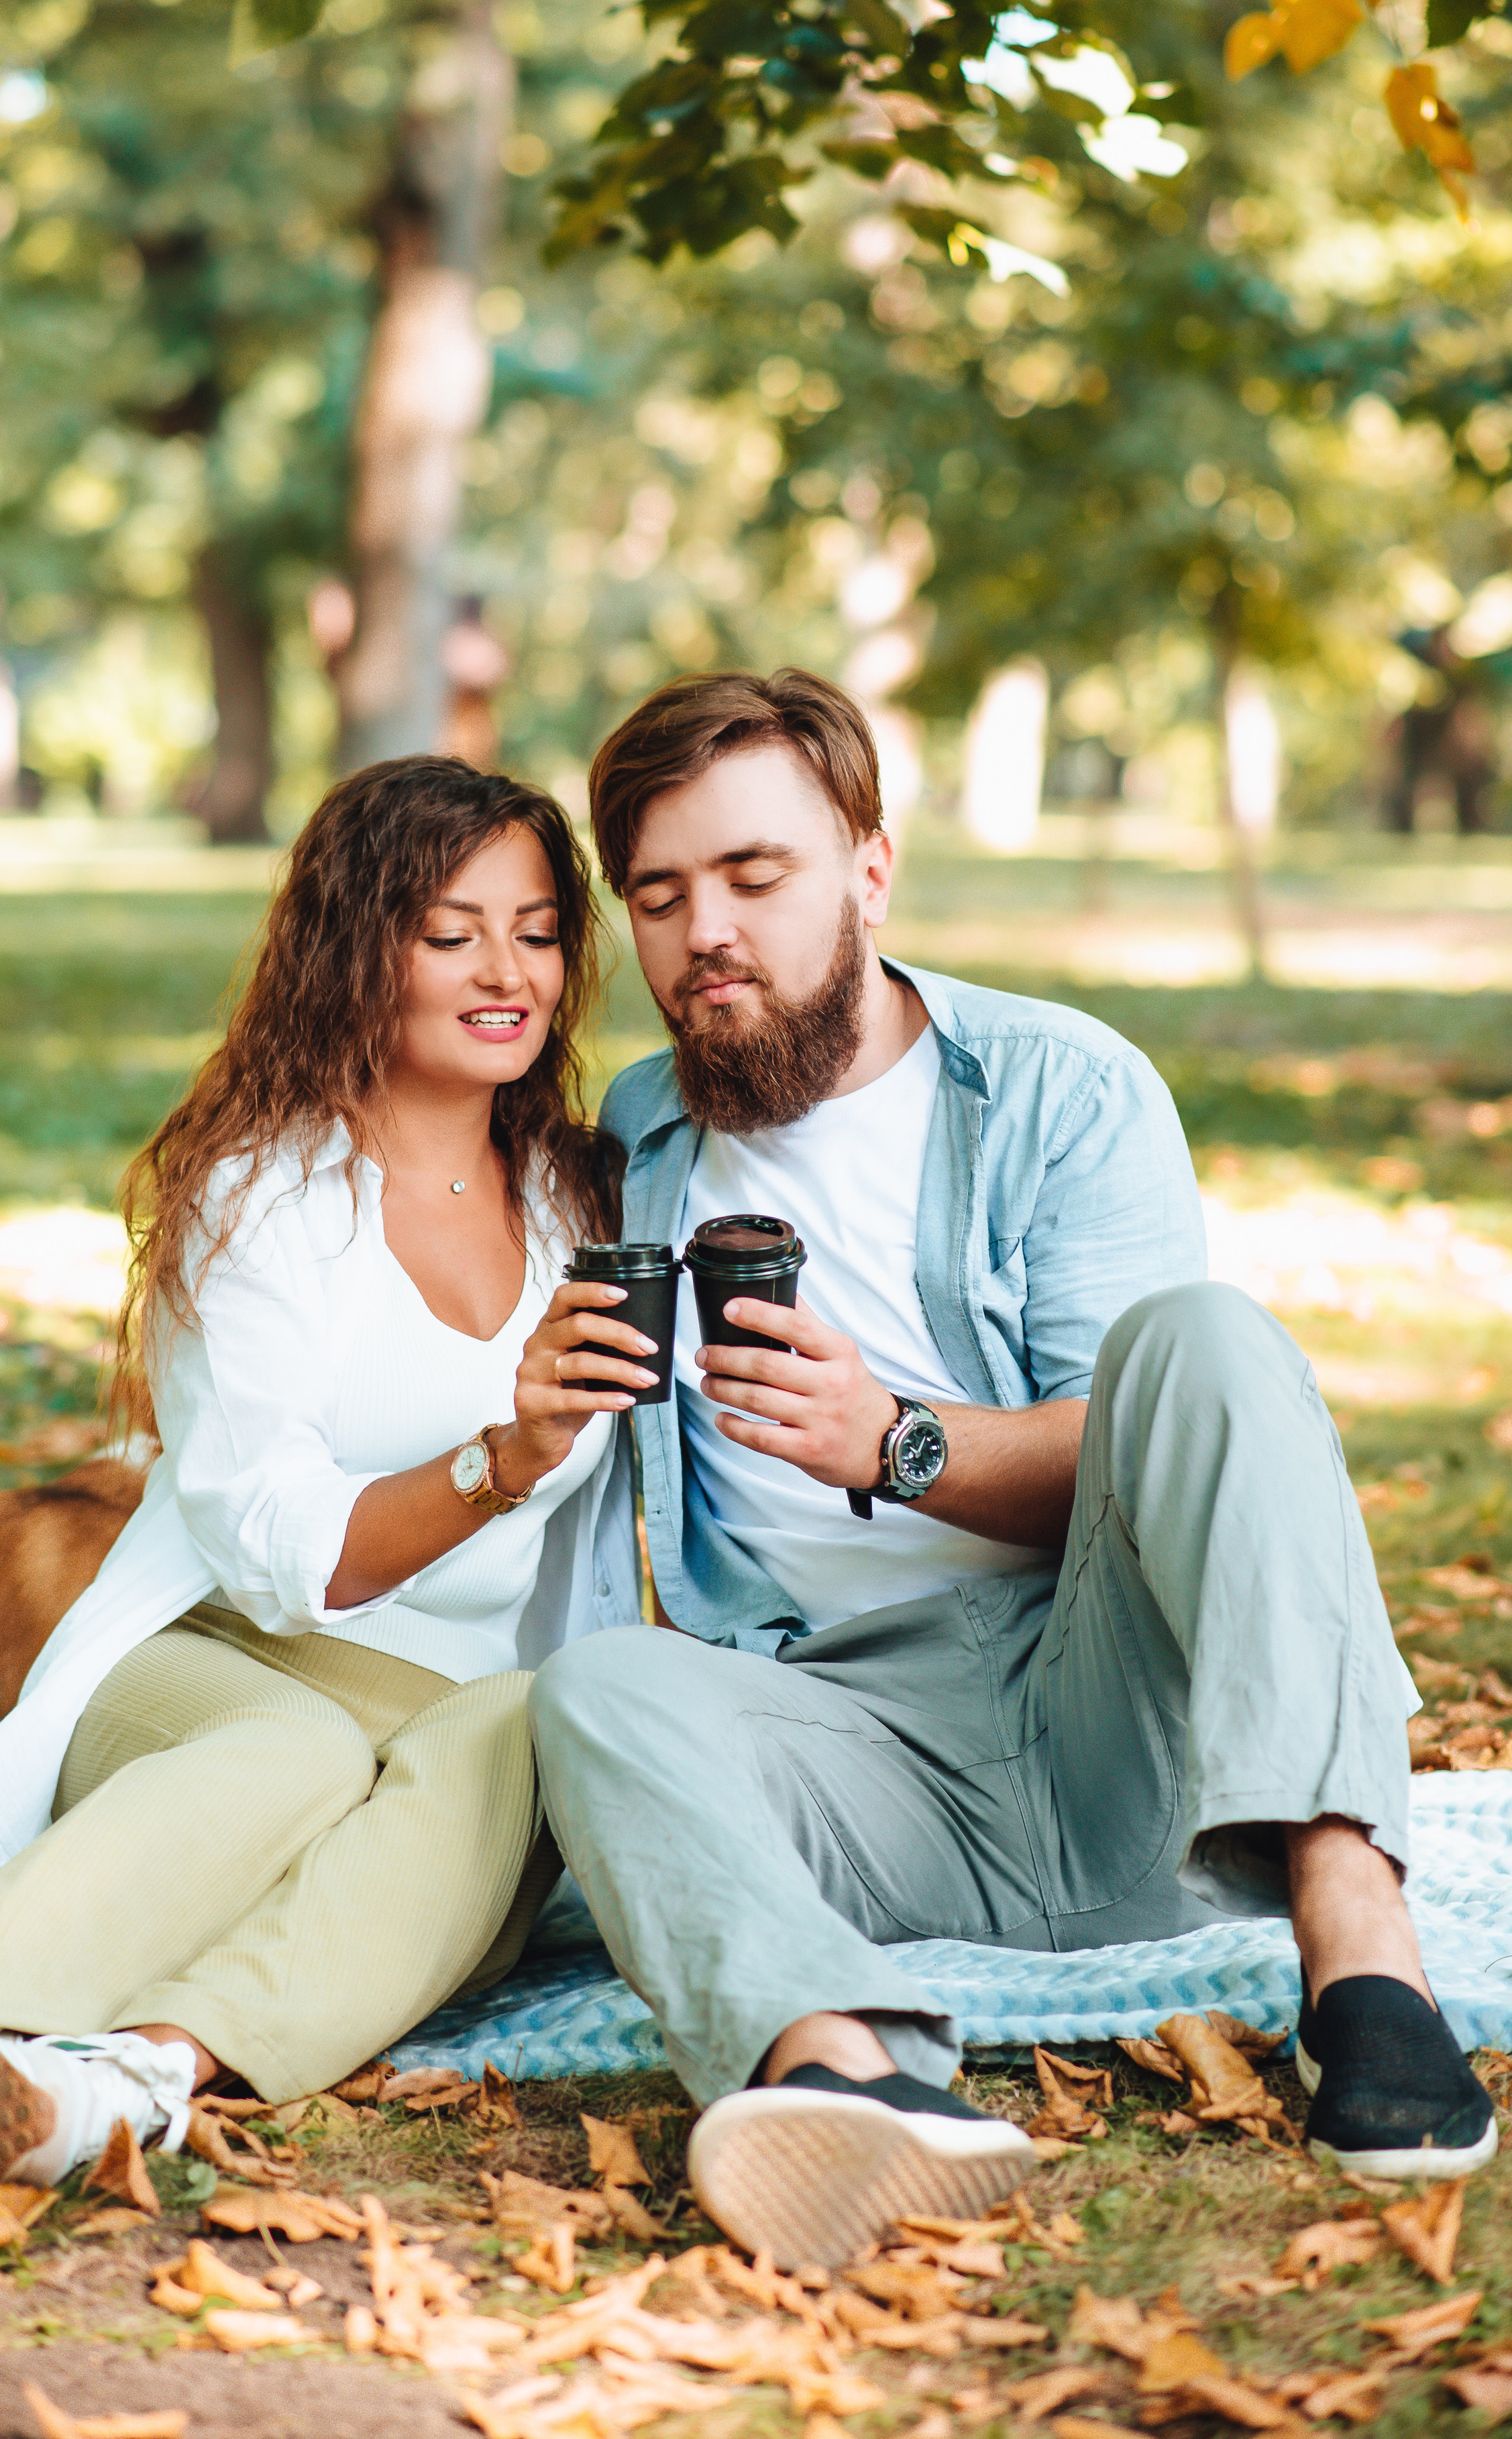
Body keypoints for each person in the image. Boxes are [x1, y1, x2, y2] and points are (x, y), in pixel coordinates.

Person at [529, 668, 1497, 2269]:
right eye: (658, 892)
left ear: (866, 866)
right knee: (597, 1694)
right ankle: (848, 2065)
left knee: (1206, 1340)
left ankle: (1356, 1949)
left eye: (754, 875)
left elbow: (1160, 1444)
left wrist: (892, 1441)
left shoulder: (1059, 1085)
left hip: (1107, 1715)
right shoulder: (631, 1136)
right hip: (849, 1761)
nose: (706, 929)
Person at [0, 758, 650, 2216]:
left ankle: (129, 2077)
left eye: (537, 929)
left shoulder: (587, 1200)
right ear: (353, 947)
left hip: (454, 1711)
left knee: (535, 1716)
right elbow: (280, 1561)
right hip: (211, 1660)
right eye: (451, 932)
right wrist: (496, 1460)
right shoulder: (259, 1197)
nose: (506, 971)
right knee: (299, 1753)